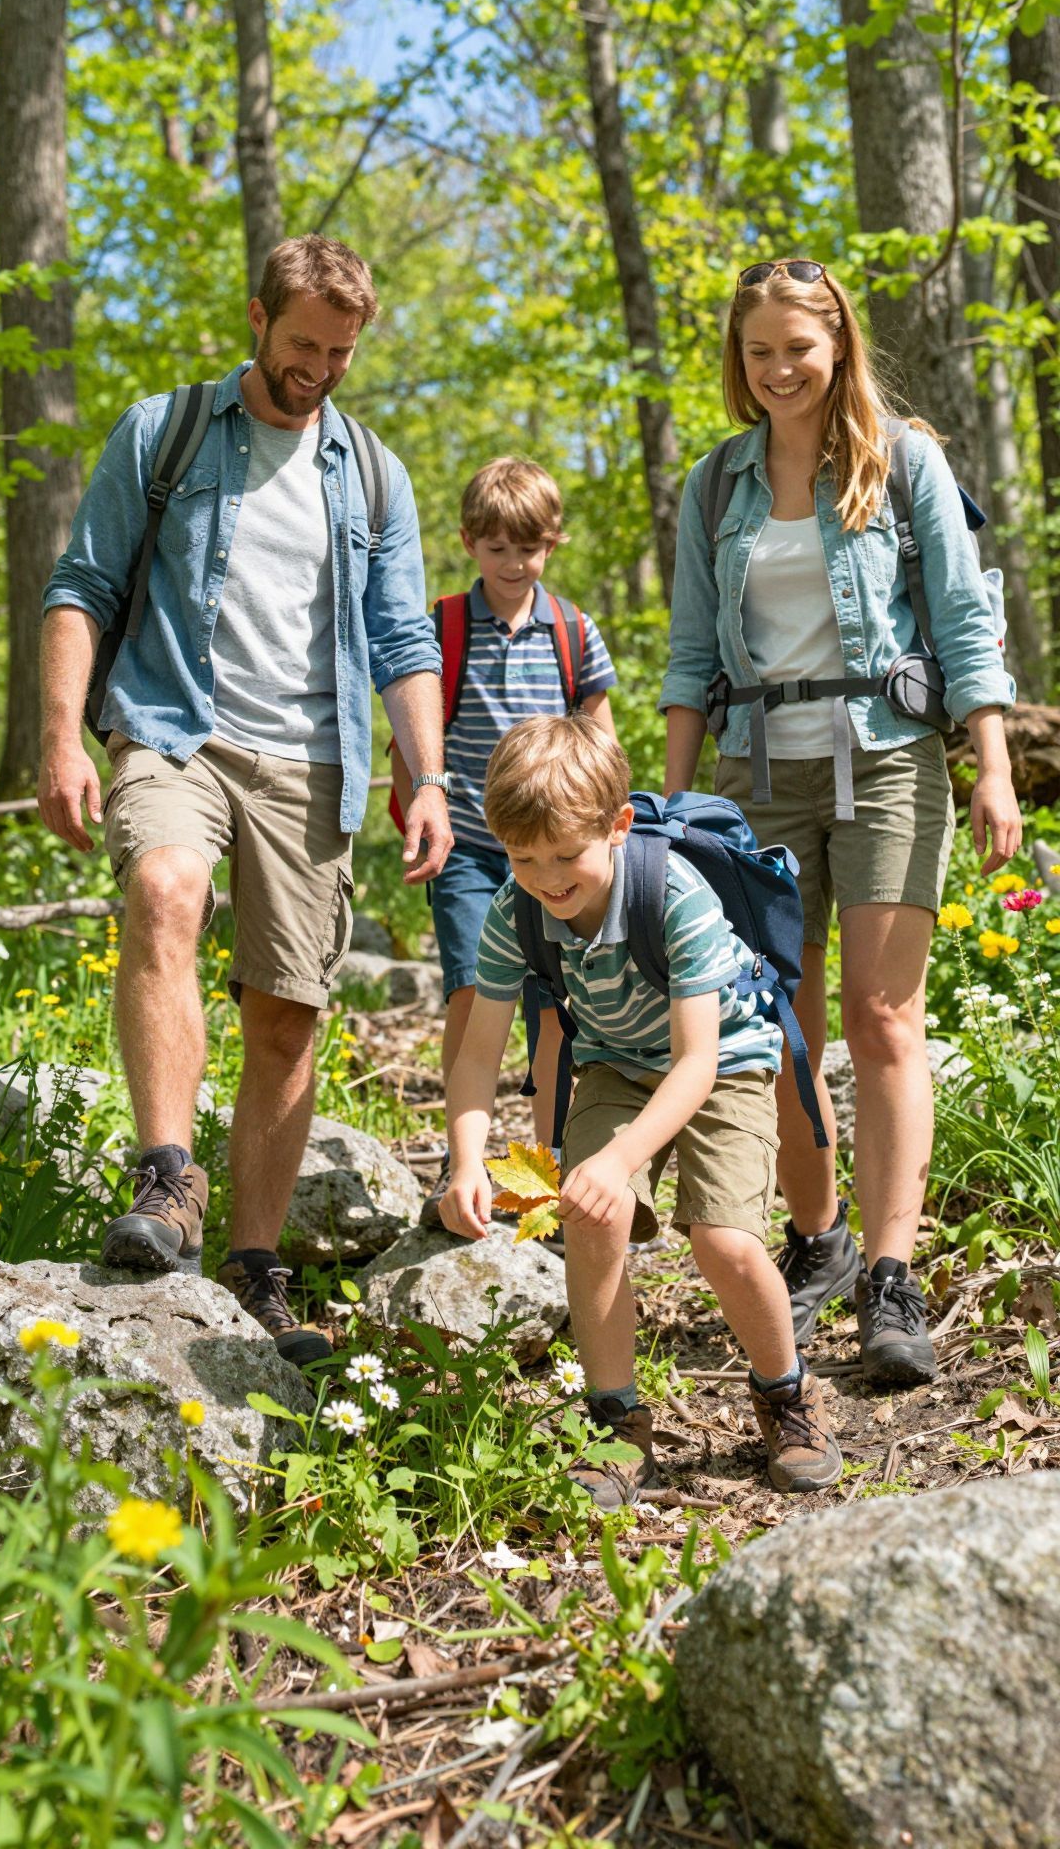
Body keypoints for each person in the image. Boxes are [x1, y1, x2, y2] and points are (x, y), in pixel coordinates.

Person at [39, 233, 452, 1366]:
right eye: (303, 345)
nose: (319, 368)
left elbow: (403, 636)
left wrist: (428, 779)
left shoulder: (371, 472)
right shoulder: (164, 430)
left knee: (284, 1017)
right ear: (257, 320)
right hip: (177, 731)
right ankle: (168, 1178)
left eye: (342, 352)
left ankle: (255, 1265)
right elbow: (80, 587)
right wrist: (59, 740)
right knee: (167, 890)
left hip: (313, 761)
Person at [661, 257, 1019, 1387]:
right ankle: (817, 1237)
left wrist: (994, 766)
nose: (778, 370)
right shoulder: (716, 486)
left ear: (838, 345)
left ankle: (892, 1273)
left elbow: (964, 620)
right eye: (758, 351)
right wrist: (672, 804)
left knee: (882, 1015)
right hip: (757, 774)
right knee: (781, 1022)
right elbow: (688, 655)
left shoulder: (902, 461)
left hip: (894, 761)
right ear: (740, 357)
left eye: (797, 348)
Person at [438, 715, 844, 1501]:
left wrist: (621, 1159)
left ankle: (788, 1394)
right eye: (524, 859)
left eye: (566, 857)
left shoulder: (676, 895)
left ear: (618, 827)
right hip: (617, 1065)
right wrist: (464, 1160)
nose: (548, 880)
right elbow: (478, 1054)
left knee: (723, 1239)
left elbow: (698, 1063)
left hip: (723, 1059)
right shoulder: (514, 910)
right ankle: (615, 1419)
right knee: (594, 1218)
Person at [412, 459, 618, 1226]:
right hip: (469, 842)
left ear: (551, 545)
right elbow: (418, 733)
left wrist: (614, 820)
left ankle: (546, 1165)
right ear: (470, 543)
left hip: (558, 851)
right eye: (497, 548)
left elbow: (599, 734)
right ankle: (460, 1152)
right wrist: (415, 808)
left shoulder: (572, 630)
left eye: (528, 548)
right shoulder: (444, 626)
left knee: (555, 1008)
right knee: (472, 989)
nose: (513, 563)